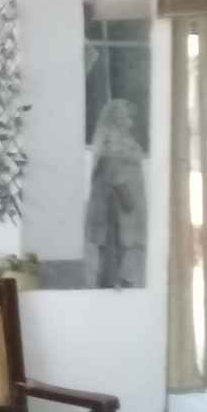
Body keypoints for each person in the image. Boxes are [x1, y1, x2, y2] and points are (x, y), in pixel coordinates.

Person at [83, 98, 147, 289]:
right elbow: (110, 168)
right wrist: (126, 196)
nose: (131, 121)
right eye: (127, 116)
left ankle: (118, 282)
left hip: (126, 203)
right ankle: (111, 284)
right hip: (116, 204)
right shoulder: (110, 138)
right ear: (116, 117)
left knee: (123, 248)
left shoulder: (124, 138)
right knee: (114, 245)